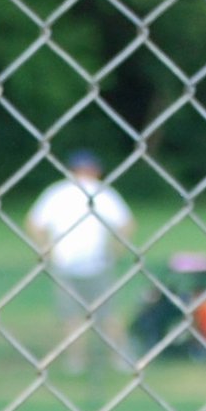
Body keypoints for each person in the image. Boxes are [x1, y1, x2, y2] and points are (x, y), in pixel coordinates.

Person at [27, 150, 136, 370]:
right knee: (74, 317)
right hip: (69, 263)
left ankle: (115, 358)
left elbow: (126, 223)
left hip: (92, 263)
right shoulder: (61, 193)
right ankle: (79, 360)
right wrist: (45, 248)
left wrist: (116, 249)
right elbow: (34, 223)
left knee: (105, 315)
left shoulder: (99, 193)